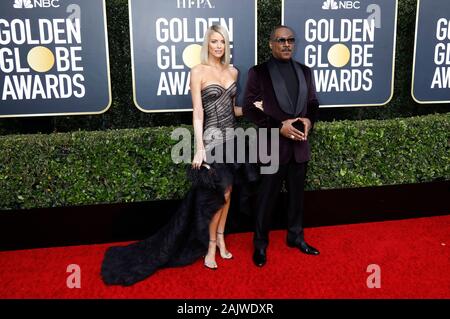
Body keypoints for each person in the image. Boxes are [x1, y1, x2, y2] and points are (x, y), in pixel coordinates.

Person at [101, 25, 258, 286]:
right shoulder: (198, 71)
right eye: (214, 41)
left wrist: (252, 108)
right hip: (210, 140)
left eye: (222, 42)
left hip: (231, 139)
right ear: (207, 44)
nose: (218, 46)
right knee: (219, 194)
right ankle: (210, 246)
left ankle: (220, 238)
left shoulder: (233, 71)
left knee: (229, 191)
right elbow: (198, 112)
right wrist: (199, 147)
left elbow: (233, 110)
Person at [243, 25, 320, 268]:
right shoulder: (259, 72)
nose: (287, 44)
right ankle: (260, 243)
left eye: (290, 40)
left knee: (297, 198)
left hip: (299, 147)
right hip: (272, 148)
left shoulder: (305, 71)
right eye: (281, 40)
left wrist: (310, 119)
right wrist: (278, 126)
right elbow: (249, 107)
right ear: (271, 44)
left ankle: (295, 237)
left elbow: (313, 102)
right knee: (266, 199)